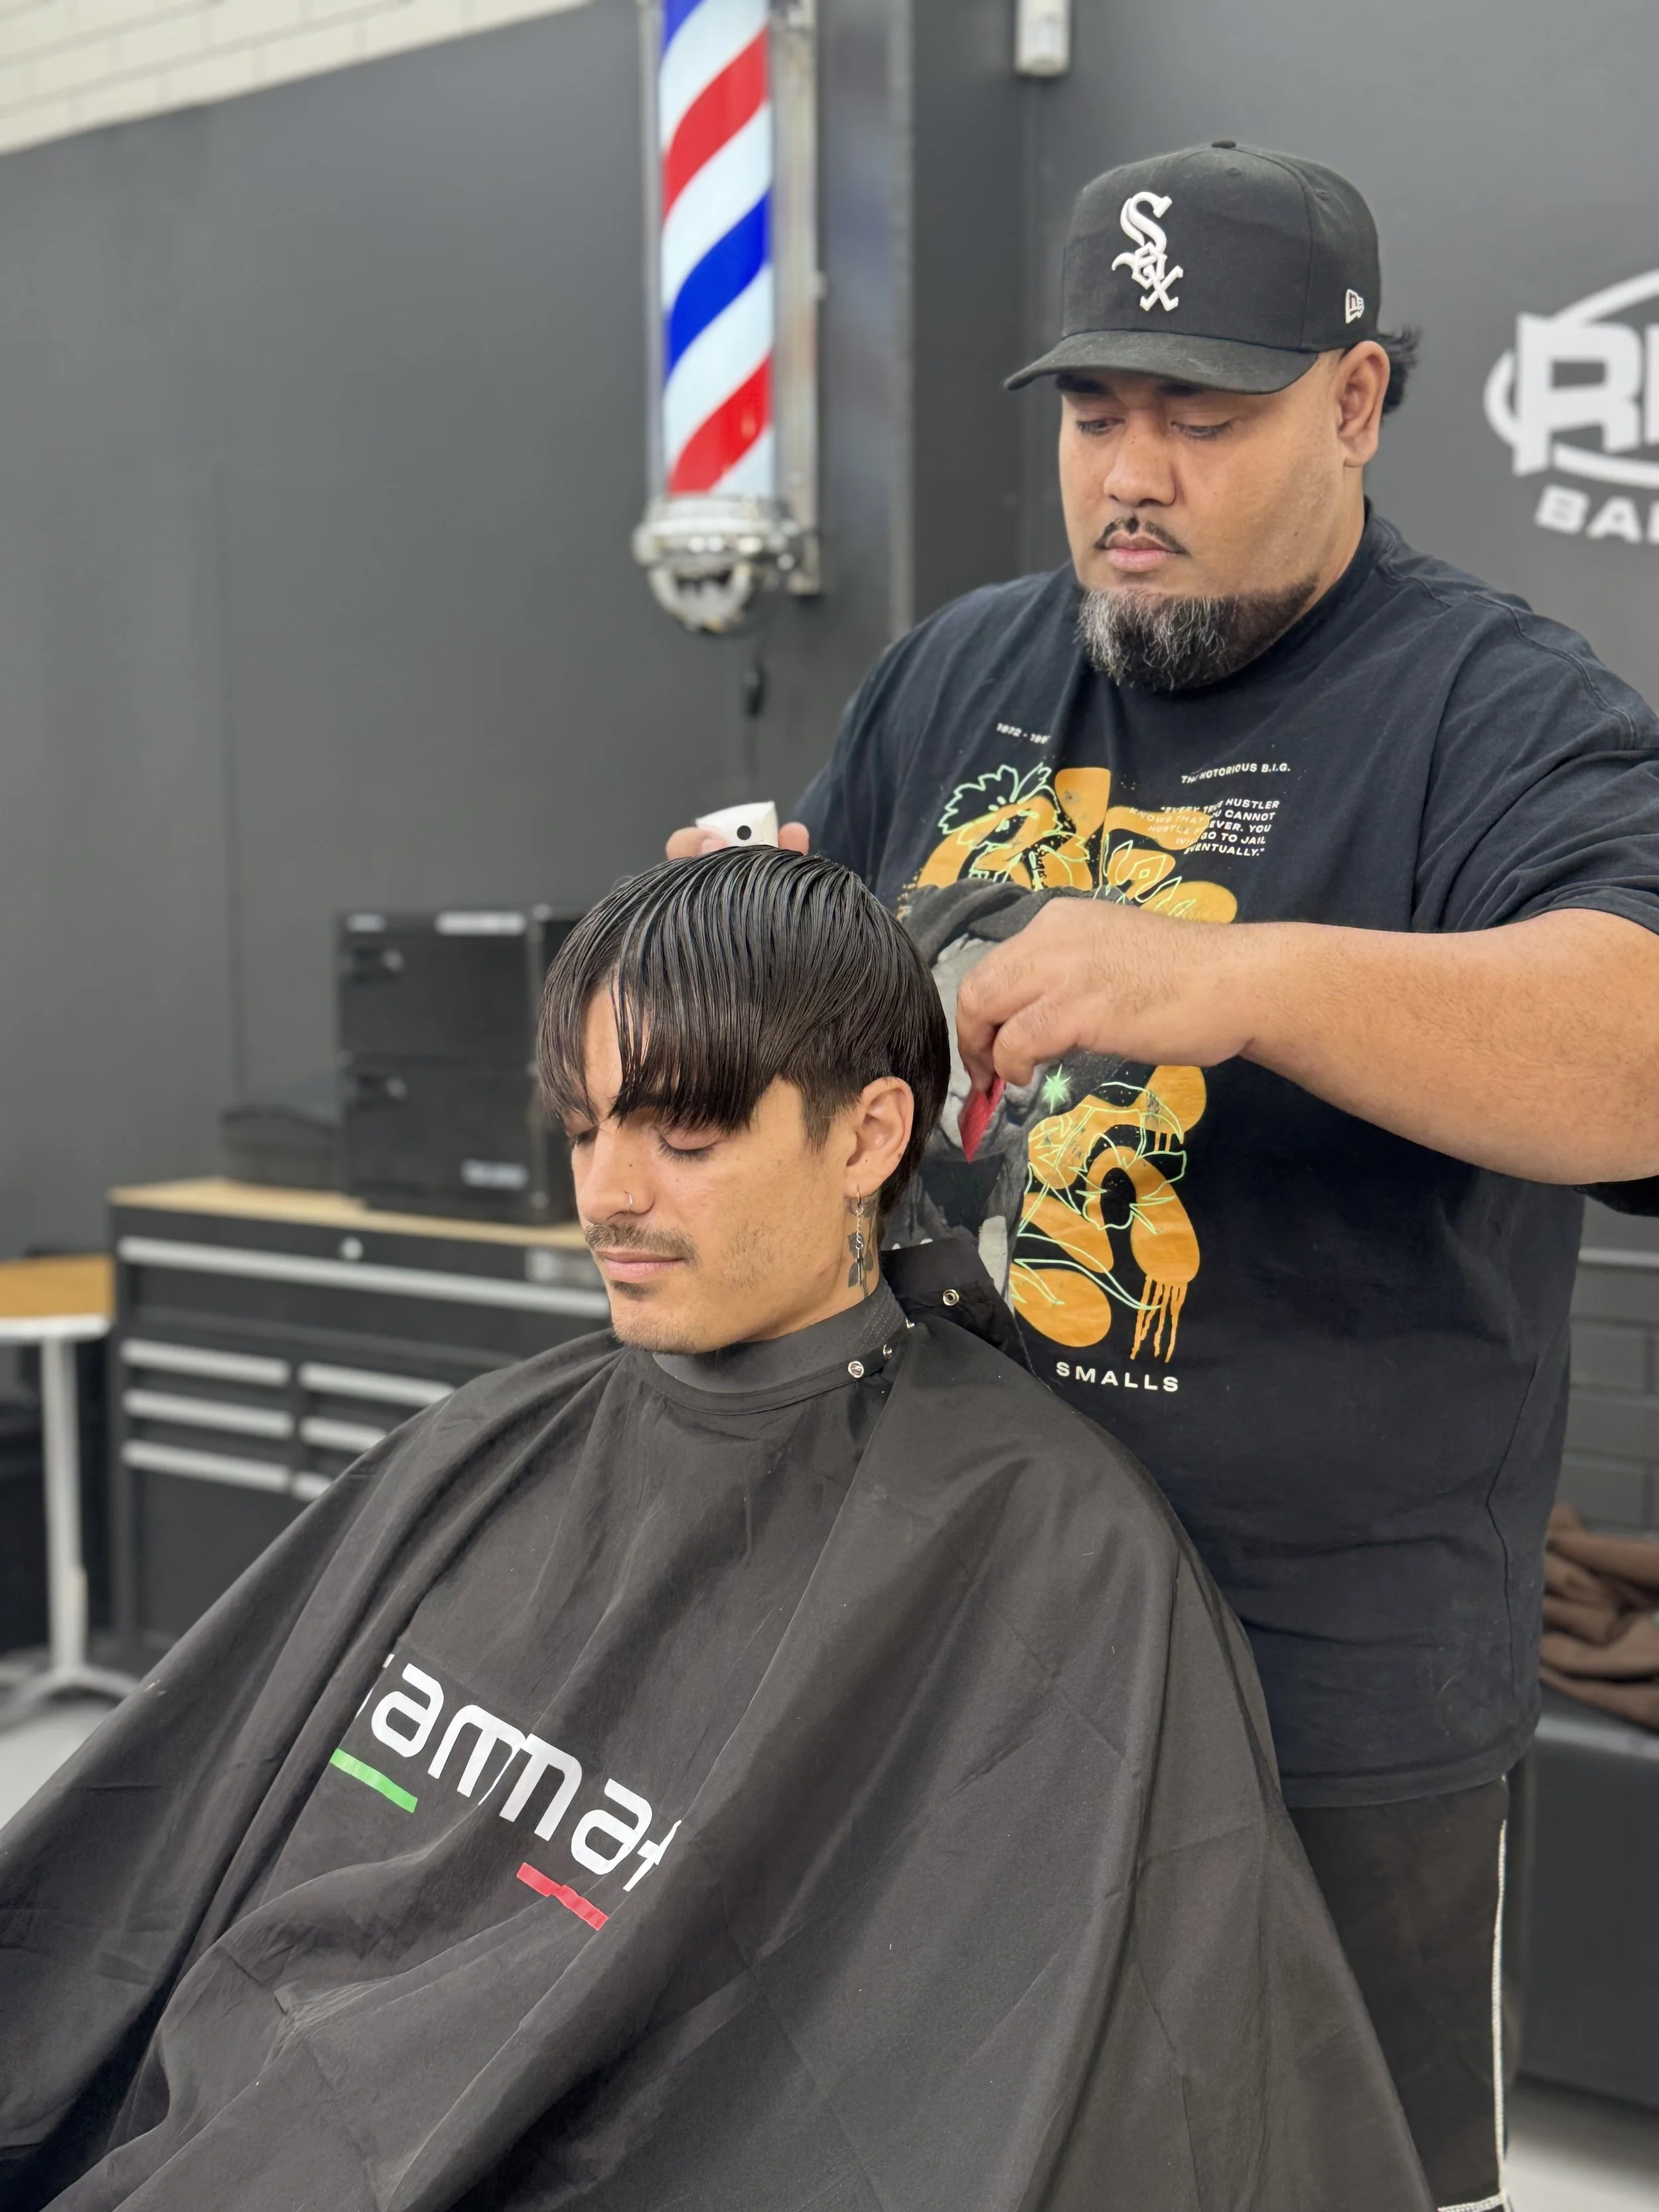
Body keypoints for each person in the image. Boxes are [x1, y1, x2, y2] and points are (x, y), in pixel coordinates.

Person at [668, 143, 1659, 2210]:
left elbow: (1634, 1052)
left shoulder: (1500, 711)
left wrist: (1245, 980)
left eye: (1202, 414)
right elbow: (853, 1063)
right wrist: (752, 962)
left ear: (1357, 401)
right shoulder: (951, 681)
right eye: (1095, 411)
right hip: (967, 1618)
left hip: (1339, 1689)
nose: (1134, 469)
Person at [0, 848, 1430, 2212]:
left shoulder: (1049, 1541)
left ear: (868, 1133)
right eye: (583, 1127)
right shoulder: (496, 1445)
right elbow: (135, 1892)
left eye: (683, 1134)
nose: (609, 1194)